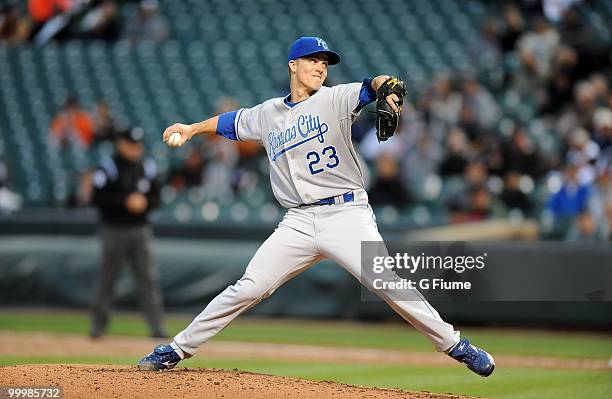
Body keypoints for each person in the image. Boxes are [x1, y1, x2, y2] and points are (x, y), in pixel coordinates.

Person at [138, 37, 495, 377]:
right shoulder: (268, 114)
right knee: (248, 287)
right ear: (293, 65)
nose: (320, 67)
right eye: (313, 59)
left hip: (346, 214)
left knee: (386, 281)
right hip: (297, 221)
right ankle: (176, 349)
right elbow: (231, 123)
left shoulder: (335, 98)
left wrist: (390, 89)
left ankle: (455, 345)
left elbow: (374, 84)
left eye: (325, 62)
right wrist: (192, 128)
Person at [90, 127, 166, 339]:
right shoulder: (107, 168)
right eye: (131, 145)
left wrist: (144, 203)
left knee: (148, 279)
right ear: (121, 144)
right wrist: (124, 202)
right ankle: (98, 327)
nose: (135, 149)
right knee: (107, 278)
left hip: (140, 229)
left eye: (138, 146)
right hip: (114, 229)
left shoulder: (147, 168)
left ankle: (157, 328)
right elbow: (97, 199)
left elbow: (157, 199)